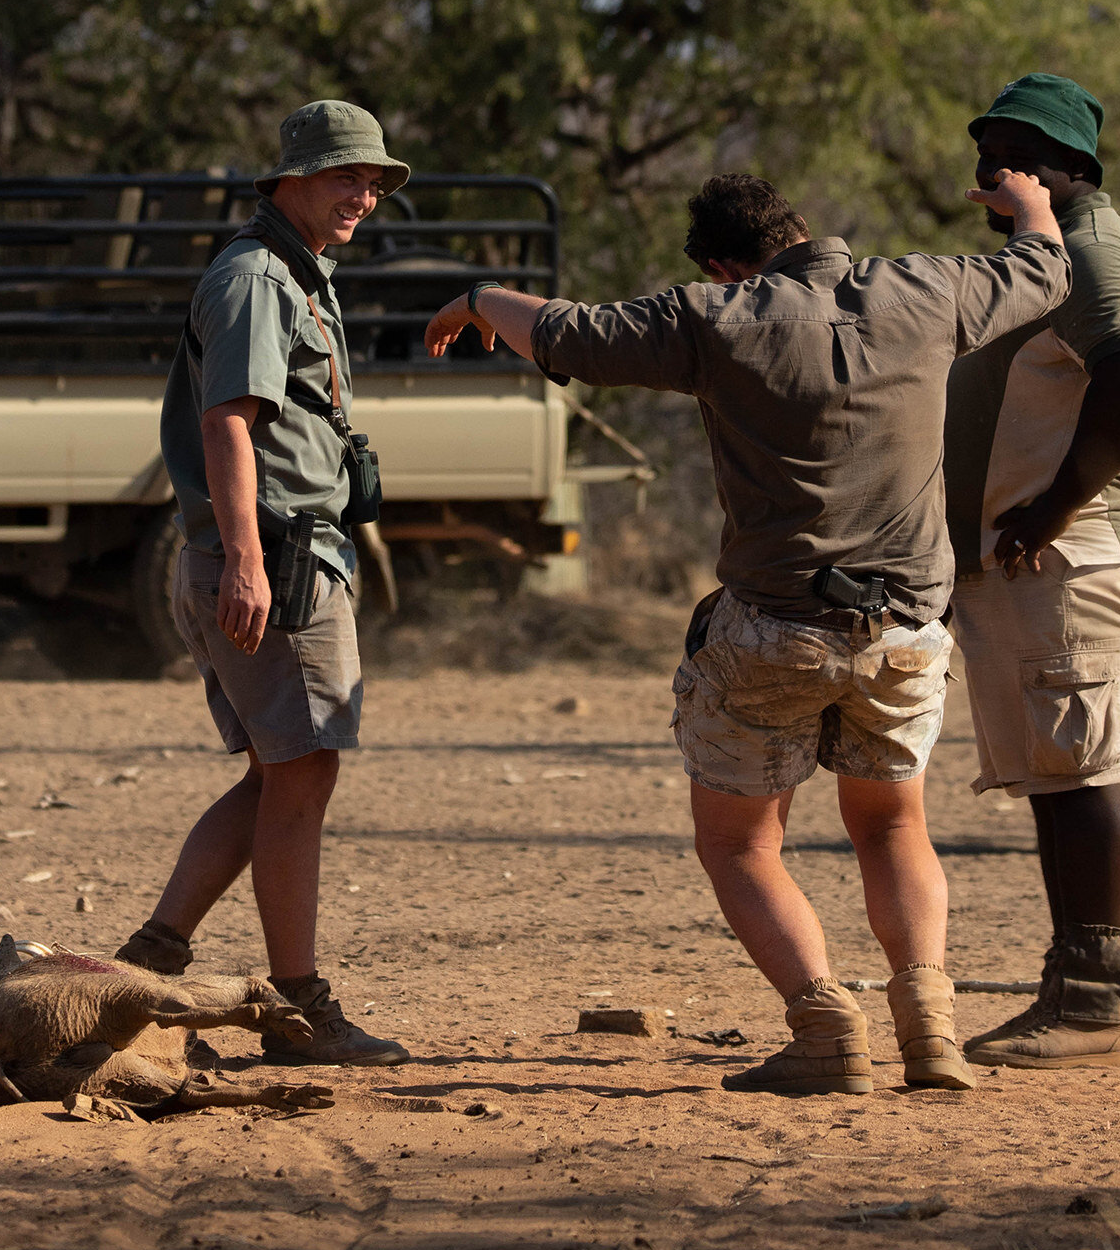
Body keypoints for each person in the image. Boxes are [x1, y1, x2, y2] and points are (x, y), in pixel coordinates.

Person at [421, 171, 1068, 1095]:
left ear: (725, 263)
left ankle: (824, 1023)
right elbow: (1044, 268)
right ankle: (929, 1027)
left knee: (741, 845)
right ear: (802, 231)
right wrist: (1027, 198)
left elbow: (571, 334)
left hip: (775, 627)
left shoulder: (715, 317)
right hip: (908, 629)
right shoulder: (929, 289)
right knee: (892, 825)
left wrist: (481, 296)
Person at [111, 100, 408, 1067]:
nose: (363, 194)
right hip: (276, 555)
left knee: (285, 770)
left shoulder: (293, 276)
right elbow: (228, 425)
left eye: (372, 181)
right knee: (304, 770)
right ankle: (298, 1005)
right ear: (290, 181)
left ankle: (150, 960)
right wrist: (245, 558)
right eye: (344, 177)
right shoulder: (253, 279)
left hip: (288, 550)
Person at [938, 74, 1120, 1070]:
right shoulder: (1041, 255)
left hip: (1066, 554)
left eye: (1024, 151)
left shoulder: (1088, 249)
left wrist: (1053, 504)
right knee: (1059, 770)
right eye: (989, 147)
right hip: (1032, 559)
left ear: (1075, 167)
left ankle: (1090, 994)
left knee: (1080, 771)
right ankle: (1076, 985)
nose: (998, 166)